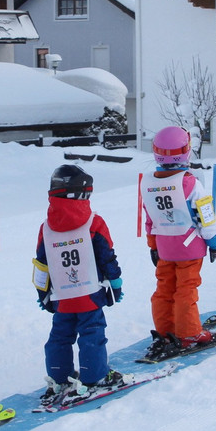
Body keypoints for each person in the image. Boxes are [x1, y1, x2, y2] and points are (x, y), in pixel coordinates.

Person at [32, 165, 124, 404]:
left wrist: (43, 293)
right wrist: (115, 283)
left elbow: (42, 264)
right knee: (92, 333)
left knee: (60, 336)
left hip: (62, 296)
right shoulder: (94, 223)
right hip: (89, 293)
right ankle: (95, 377)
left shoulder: (46, 228)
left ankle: (59, 376)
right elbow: (107, 256)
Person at [141, 126, 216, 355]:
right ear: (186, 151)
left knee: (164, 289)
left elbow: (150, 218)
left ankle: (165, 329)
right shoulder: (190, 183)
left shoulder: (148, 183)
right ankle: (188, 333)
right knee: (186, 290)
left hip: (164, 247)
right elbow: (205, 219)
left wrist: (153, 245)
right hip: (190, 248)